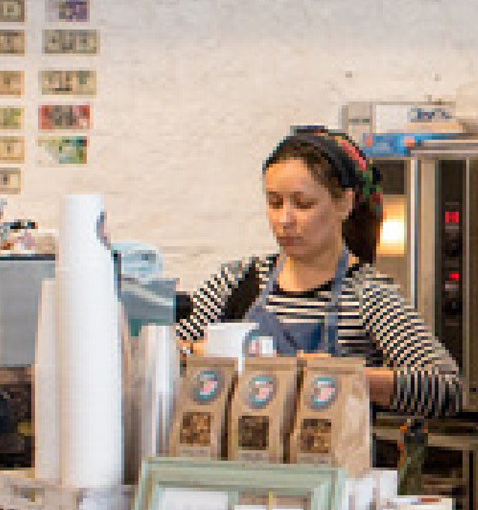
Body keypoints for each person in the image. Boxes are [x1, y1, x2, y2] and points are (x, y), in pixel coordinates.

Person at [172, 126, 463, 417]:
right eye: (274, 203)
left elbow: (446, 388)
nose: (284, 219)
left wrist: (336, 376)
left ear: (344, 204)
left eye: (303, 204)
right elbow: (165, 352)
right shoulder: (237, 281)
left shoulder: (366, 295)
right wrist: (198, 354)